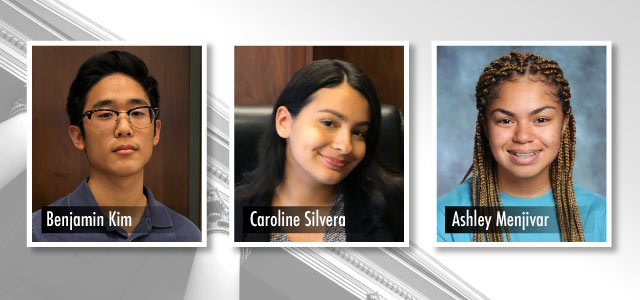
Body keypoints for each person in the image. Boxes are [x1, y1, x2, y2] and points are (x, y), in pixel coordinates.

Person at [437, 50, 606, 242]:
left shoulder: (602, 217)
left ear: (564, 124)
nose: (523, 136)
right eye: (505, 121)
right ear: (485, 126)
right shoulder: (443, 220)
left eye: (541, 119)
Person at [32, 51, 201, 242]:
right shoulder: (39, 233)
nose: (124, 128)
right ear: (78, 136)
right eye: (105, 114)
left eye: (137, 113)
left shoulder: (187, 236)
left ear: (156, 131)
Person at [235, 59, 403, 242]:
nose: (345, 146)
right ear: (284, 122)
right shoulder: (231, 214)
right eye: (328, 123)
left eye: (358, 132)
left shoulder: (395, 210)